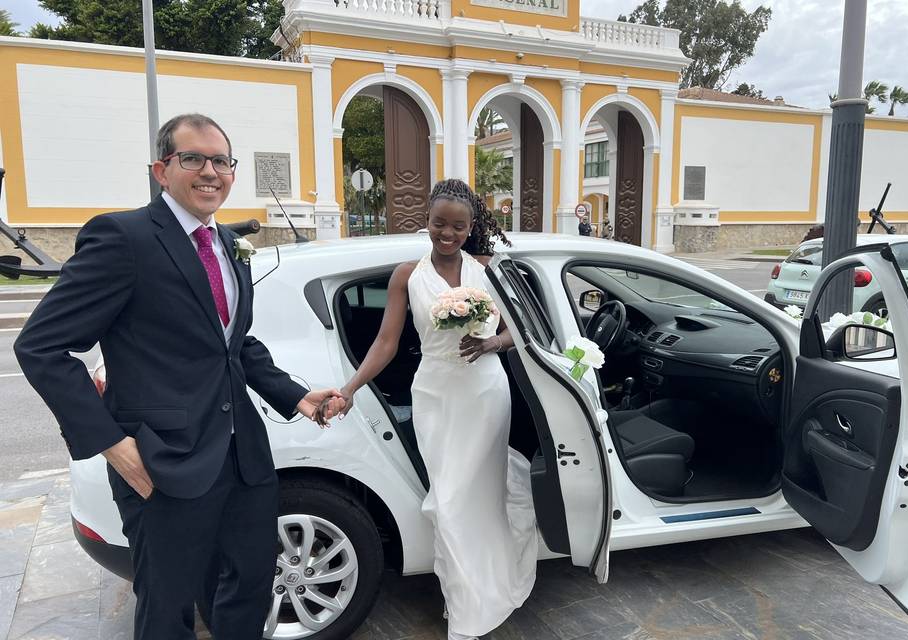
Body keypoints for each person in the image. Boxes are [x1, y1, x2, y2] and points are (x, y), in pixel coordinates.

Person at [14, 113, 344, 640]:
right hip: (161, 463)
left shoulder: (228, 246)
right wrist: (113, 445)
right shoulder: (123, 238)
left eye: (221, 161)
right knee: (167, 610)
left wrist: (297, 396)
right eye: (193, 158)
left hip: (244, 459)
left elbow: (233, 345)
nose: (210, 171)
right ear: (161, 170)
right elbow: (40, 346)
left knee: (250, 588)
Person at [337, 179, 538, 640]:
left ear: (471, 228)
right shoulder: (407, 275)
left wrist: (492, 342)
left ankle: (474, 599)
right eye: (439, 224)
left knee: (481, 496)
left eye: (459, 226)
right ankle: (465, 594)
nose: (448, 234)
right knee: (449, 501)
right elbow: (386, 342)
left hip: (485, 393)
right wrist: (350, 388)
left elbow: (518, 330)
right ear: (426, 222)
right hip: (435, 395)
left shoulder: (487, 269)